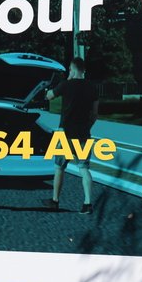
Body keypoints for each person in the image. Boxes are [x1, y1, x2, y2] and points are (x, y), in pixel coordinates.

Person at [43, 57, 99, 214]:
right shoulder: (92, 87)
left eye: (69, 70)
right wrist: (87, 127)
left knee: (59, 167)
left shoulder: (66, 85)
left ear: (73, 69)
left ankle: (55, 201)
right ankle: (87, 203)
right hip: (83, 134)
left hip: (64, 133)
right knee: (84, 168)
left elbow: (49, 96)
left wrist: (56, 86)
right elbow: (95, 114)